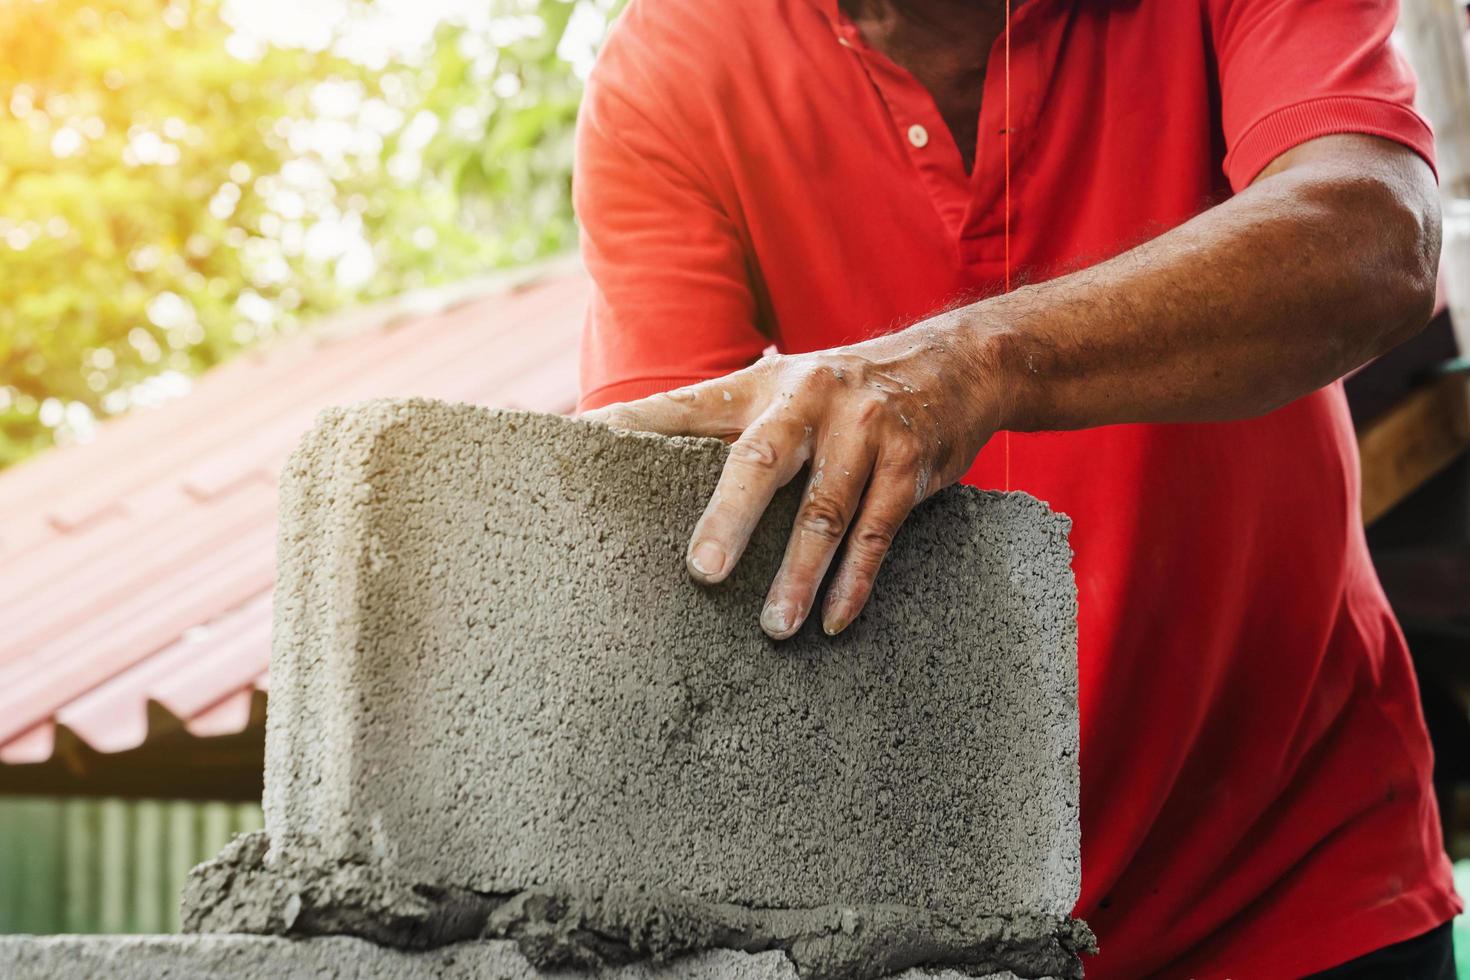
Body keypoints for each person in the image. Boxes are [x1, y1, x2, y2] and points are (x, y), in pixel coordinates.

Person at [571, 0, 1463, 974]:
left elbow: (1377, 234)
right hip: (941, 935)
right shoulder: (672, 62)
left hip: (1302, 872)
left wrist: (977, 361)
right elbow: (664, 530)